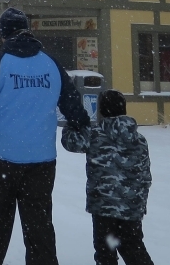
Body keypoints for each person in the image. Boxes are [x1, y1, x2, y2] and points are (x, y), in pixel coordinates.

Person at [0, 7, 90, 265]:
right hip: (41, 162)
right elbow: (74, 108)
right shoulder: (51, 64)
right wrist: (79, 124)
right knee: (39, 226)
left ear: (3, 34)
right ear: (27, 30)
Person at [62, 90, 153, 265]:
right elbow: (145, 174)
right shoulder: (139, 139)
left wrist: (71, 122)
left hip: (103, 205)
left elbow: (71, 143)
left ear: (101, 111)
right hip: (132, 205)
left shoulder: (94, 135)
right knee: (133, 246)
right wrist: (140, 203)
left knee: (105, 252)